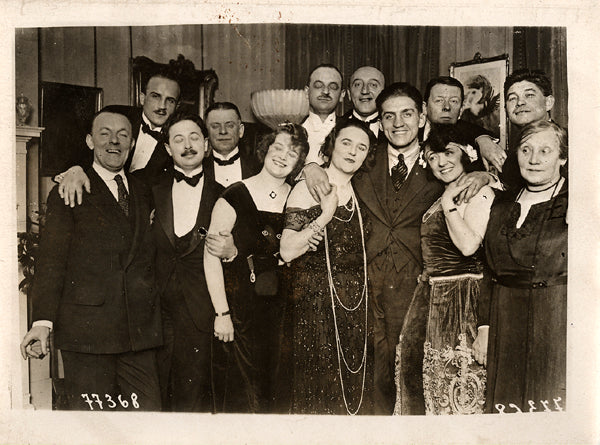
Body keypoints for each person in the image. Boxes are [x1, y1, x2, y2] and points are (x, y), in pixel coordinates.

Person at [304, 82, 497, 414]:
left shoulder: (440, 157)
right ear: (379, 121)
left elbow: (489, 182)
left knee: (412, 378)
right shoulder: (366, 155)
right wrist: (309, 168)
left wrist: (485, 176)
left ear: (423, 116)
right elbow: (329, 165)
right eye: (388, 116)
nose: (398, 123)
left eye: (407, 113)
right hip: (361, 285)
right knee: (368, 375)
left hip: (416, 288)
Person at [19, 110, 162, 411]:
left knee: (149, 420)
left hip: (139, 335)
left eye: (123, 134)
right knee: (94, 428)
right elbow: (51, 261)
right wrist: (42, 322)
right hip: (87, 335)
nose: (114, 141)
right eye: (104, 133)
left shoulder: (143, 190)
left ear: (132, 142)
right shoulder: (70, 190)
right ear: (89, 141)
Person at [204, 122, 309, 413]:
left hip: (287, 313)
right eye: (278, 147)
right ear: (265, 149)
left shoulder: (299, 198)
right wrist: (222, 314)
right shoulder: (235, 195)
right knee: (243, 399)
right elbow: (210, 257)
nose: (283, 156)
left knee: (280, 398)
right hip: (243, 314)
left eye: (292, 152)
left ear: (299, 161)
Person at [394, 125, 493, 415]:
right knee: (424, 380)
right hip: (431, 294)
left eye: (448, 153)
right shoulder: (445, 193)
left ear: (466, 154)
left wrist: (450, 204)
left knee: (456, 381)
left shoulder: (479, 190)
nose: (441, 162)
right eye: (432, 157)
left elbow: (468, 246)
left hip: (460, 298)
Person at [280, 119, 377, 415]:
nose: (352, 152)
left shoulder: (362, 190)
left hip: (354, 306)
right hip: (315, 304)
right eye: (346, 143)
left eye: (362, 147)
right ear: (332, 145)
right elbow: (286, 250)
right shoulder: (308, 189)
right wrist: (324, 216)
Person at [475, 120, 567, 413]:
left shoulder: (580, 202)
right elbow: (489, 272)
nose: (534, 159)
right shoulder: (502, 203)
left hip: (555, 321)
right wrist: (485, 327)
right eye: (526, 150)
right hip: (505, 319)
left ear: (562, 158)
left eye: (545, 150)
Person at [151, 110, 225, 412]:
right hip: (155, 313)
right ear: (168, 149)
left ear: (206, 145)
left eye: (195, 137)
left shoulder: (226, 196)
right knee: (155, 399)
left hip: (201, 313)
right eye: (178, 139)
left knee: (193, 399)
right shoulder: (148, 191)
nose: (188, 145)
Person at [56, 70, 181, 205]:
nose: (162, 106)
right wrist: (76, 169)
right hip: (94, 202)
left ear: (177, 107)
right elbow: (80, 150)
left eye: (170, 101)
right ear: (142, 98)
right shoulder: (114, 116)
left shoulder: (177, 141)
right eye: (155, 96)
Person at [423, 76, 506, 173]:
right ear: (425, 107)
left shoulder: (474, 140)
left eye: (454, 101)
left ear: (461, 109)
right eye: (439, 100)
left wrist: (486, 177)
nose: (446, 107)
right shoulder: (411, 132)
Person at [501, 69, 557, 191]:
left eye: (529, 95)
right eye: (512, 98)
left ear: (548, 102)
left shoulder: (570, 142)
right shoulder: (513, 153)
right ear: (506, 109)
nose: (520, 102)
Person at [203, 101, 261, 187]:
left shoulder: (259, 168)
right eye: (215, 126)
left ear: (240, 131)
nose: (223, 131)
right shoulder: (198, 170)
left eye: (229, 125)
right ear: (207, 132)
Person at [302, 63, 345, 164]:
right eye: (318, 86)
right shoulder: (292, 128)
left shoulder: (351, 129)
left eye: (333, 87)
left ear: (342, 95)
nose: (325, 91)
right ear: (307, 91)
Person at [341, 66, 385, 139]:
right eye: (358, 84)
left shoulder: (392, 128)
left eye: (373, 85)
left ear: (384, 93)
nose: (364, 91)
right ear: (349, 94)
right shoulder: (335, 126)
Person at [461, 74, 501, 138]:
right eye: (467, 93)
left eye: (474, 92)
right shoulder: (465, 115)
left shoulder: (493, 115)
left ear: (483, 91)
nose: (469, 97)